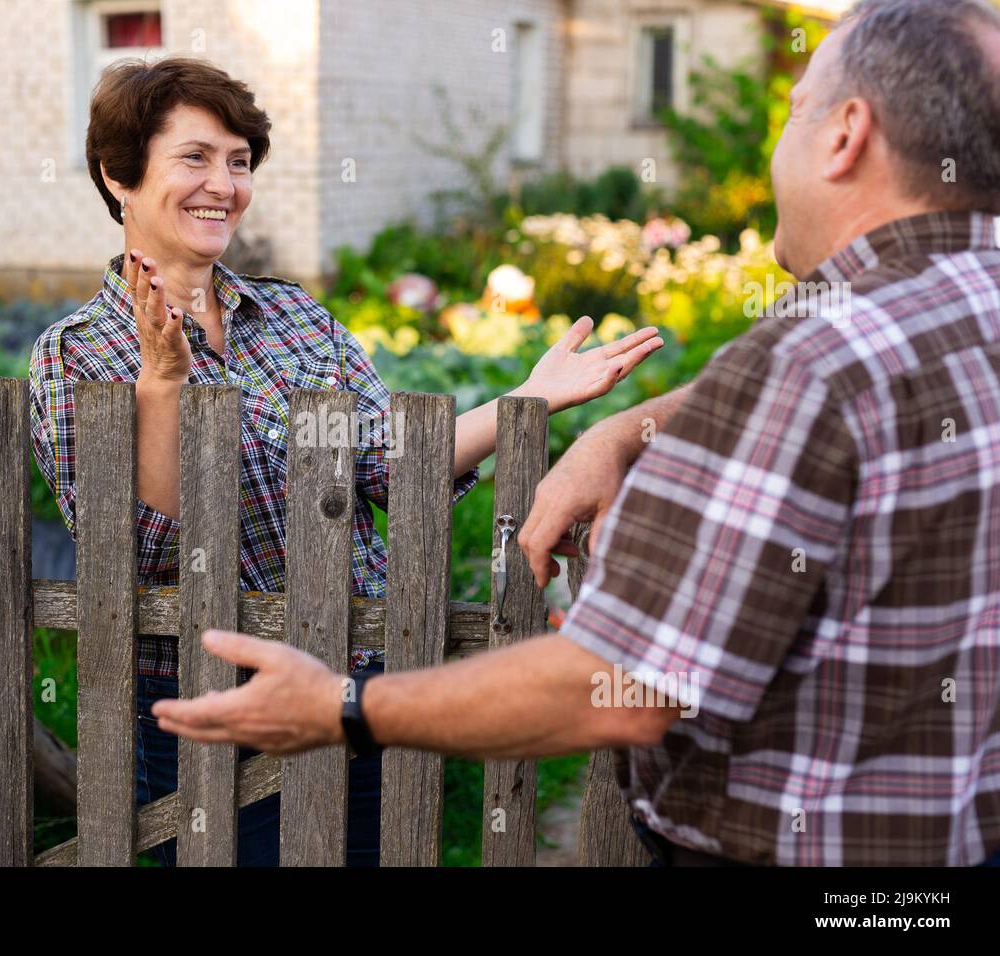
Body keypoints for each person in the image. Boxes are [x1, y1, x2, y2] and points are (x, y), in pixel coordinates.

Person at [153, 0, 1000, 866]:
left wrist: (345, 707)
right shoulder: (943, 313)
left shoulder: (810, 363)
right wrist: (623, 433)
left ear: (845, 135)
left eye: (792, 114)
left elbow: (622, 688)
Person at [27, 55, 663, 866]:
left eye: (239, 162)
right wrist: (161, 385)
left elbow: (386, 466)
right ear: (119, 176)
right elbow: (138, 553)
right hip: (212, 697)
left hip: (357, 683)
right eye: (195, 157)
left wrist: (525, 401)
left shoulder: (295, 317)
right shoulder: (75, 354)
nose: (223, 184)